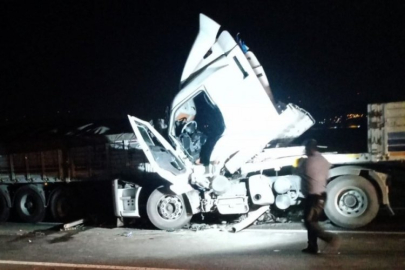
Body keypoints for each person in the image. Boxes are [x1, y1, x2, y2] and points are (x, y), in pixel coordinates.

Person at [299, 139, 341, 254]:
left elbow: (298, 171)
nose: (305, 151)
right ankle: (312, 246)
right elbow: (327, 177)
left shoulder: (308, 162)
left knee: (309, 222)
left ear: (310, 149)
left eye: (306, 149)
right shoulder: (324, 160)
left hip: (313, 196)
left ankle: (330, 238)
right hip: (322, 195)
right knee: (313, 222)